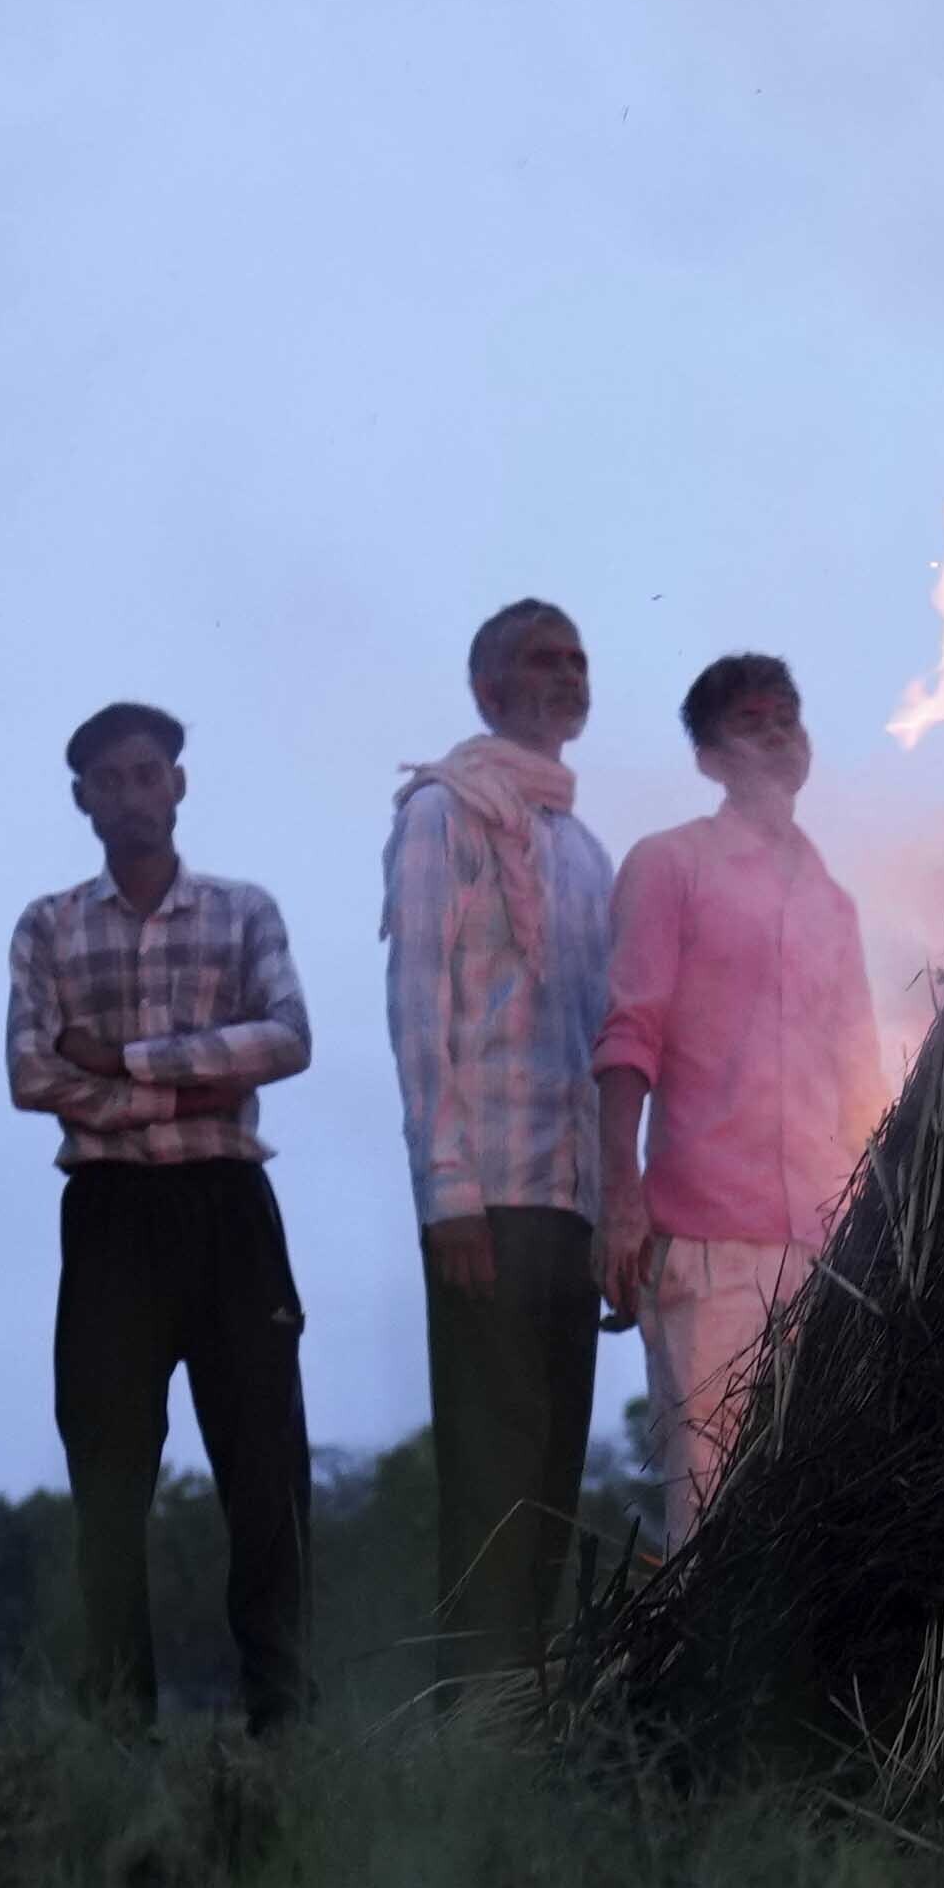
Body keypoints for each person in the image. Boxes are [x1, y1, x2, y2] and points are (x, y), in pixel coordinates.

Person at [4, 700, 321, 1730]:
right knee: (108, 1477)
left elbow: (288, 1038)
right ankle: (117, 1735)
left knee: (265, 1475)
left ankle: (284, 1726)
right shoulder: (50, 924)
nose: (132, 795)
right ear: (82, 799)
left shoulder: (243, 911)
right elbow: (29, 1074)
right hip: (109, 1216)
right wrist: (191, 1085)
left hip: (229, 1207)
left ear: (178, 784)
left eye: (149, 774)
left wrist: (132, 1063)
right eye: (110, 779)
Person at [384, 598, 621, 1696]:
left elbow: (601, 1032)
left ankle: (530, 1714)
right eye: (540, 660)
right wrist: (447, 1198)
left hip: (570, 1200)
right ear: (487, 692)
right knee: (488, 1469)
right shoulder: (445, 812)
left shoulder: (581, 847)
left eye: (575, 658)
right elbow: (416, 1009)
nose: (565, 675)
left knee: (552, 1471)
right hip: (486, 1197)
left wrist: (619, 1207)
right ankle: (471, 1722)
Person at [589, 650, 884, 1514]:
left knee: (816, 1515)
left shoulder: (833, 903)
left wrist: (876, 1226)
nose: (775, 736)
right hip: (710, 1251)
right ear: (708, 758)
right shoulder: (668, 865)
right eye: (748, 723)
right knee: (714, 1514)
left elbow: (860, 1075)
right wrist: (621, 1200)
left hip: (828, 1250)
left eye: (786, 718)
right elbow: (628, 1033)